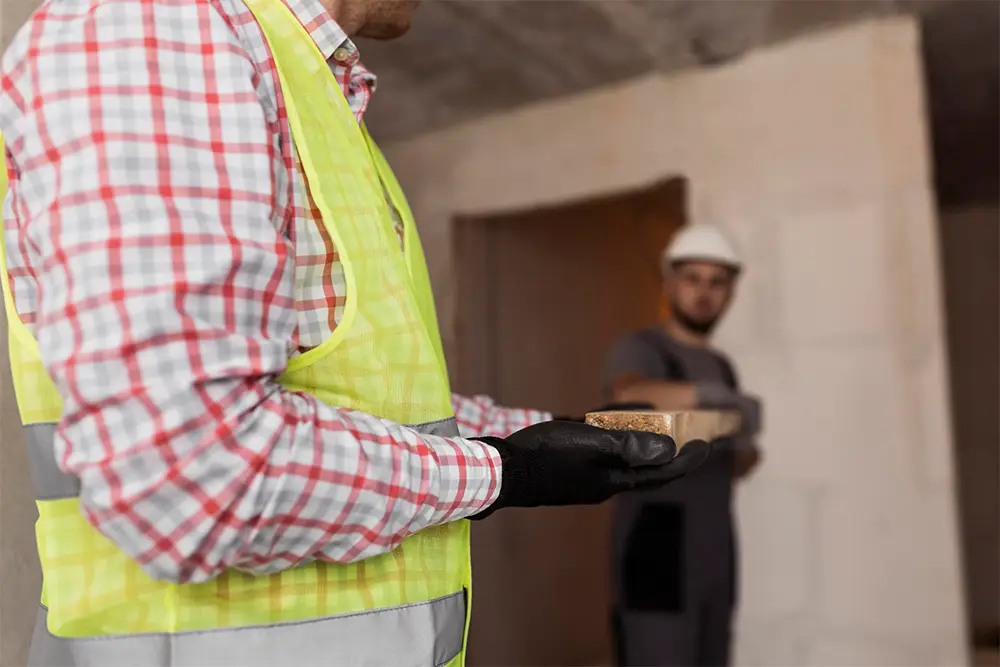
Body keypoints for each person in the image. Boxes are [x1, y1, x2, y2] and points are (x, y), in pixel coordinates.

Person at [0, 1, 712, 665]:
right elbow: (190, 472)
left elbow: (359, 402)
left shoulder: (301, 86)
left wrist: (560, 436)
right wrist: (505, 469)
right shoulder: (153, 30)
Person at [604, 225, 763, 667]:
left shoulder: (721, 365)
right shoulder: (641, 348)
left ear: (731, 292)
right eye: (692, 279)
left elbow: (731, 462)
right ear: (670, 283)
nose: (704, 293)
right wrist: (716, 401)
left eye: (717, 283)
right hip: (657, 540)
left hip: (714, 543)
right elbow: (626, 399)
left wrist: (746, 448)